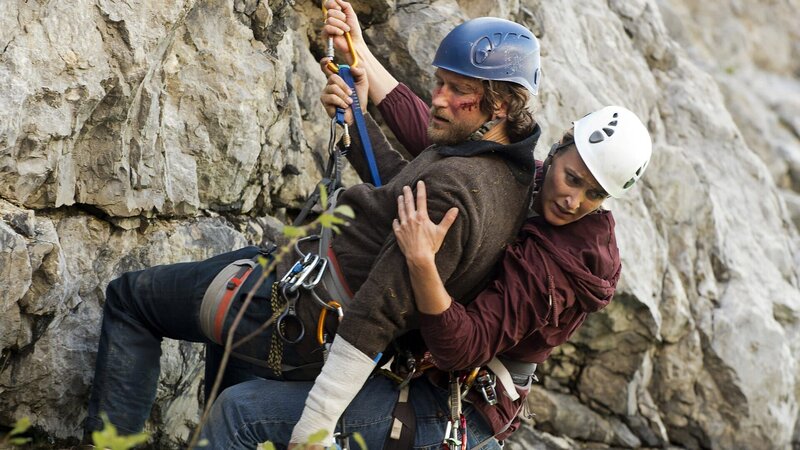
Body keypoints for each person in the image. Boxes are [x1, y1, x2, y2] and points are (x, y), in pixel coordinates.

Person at [197, 2, 652, 449]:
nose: (574, 200)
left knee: (240, 412)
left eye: (594, 195)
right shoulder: (525, 179)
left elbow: (464, 344)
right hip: (428, 372)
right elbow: (430, 147)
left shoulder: (560, 264)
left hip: (458, 404)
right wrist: (360, 56)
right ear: (557, 150)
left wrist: (422, 263)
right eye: (572, 178)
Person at [84, 9, 543, 450]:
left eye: (457, 89)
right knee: (228, 384)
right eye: (439, 81)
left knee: (131, 300)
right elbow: (401, 190)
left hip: (300, 311)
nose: (438, 98)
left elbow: (379, 310)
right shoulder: (506, 172)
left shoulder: (457, 189)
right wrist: (356, 119)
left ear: (500, 105)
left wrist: (316, 425)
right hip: (307, 300)